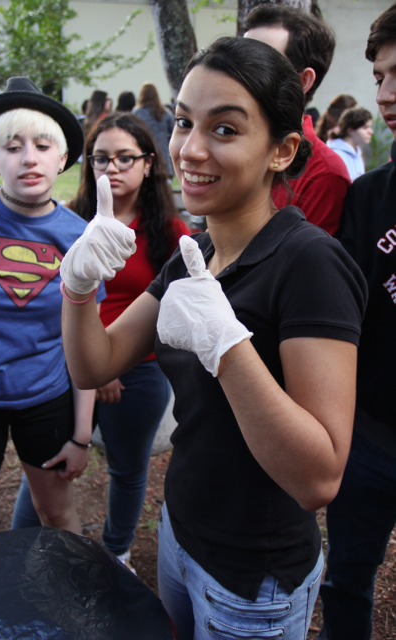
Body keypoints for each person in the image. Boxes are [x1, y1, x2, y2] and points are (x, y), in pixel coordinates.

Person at [59, 37, 367, 640]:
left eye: (225, 129)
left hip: (254, 577)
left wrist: (227, 347)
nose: (190, 149)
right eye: (182, 122)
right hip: (181, 532)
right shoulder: (194, 254)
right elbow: (94, 366)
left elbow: (319, 479)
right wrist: (76, 286)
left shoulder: (309, 264)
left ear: (282, 150)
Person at [13, 113, 189, 570]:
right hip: (67, 366)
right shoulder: (67, 220)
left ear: (149, 163)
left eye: (125, 158)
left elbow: (174, 306)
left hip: (139, 371)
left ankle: (117, 554)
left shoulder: (170, 232)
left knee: (127, 471)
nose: (112, 168)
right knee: (47, 465)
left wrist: (113, 362)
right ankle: (21, 555)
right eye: (101, 158)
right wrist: (91, 368)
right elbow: (44, 300)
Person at [0, 77, 105, 539]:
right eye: (12, 147)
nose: (29, 158)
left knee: (58, 519)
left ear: (62, 158)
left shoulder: (79, 237)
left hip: (45, 400)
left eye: (43, 145)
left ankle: (70, 604)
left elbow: (86, 345)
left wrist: (81, 434)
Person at [318, 4, 396, 639]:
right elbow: (341, 317)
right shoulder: (369, 196)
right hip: (369, 440)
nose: (386, 94)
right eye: (378, 77)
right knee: (346, 579)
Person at [244, 4, 351, 236]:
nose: (238, 72)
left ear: (303, 81)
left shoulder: (324, 174)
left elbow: (303, 266)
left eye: (258, 63)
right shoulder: (229, 145)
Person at [134, 83, 175, 178]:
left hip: (143, 155)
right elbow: (174, 131)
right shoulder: (164, 113)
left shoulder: (137, 114)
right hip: (163, 155)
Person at [327, 107, 373, 182]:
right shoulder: (337, 154)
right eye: (365, 128)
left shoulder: (357, 153)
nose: (371, 131)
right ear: (350, 131)